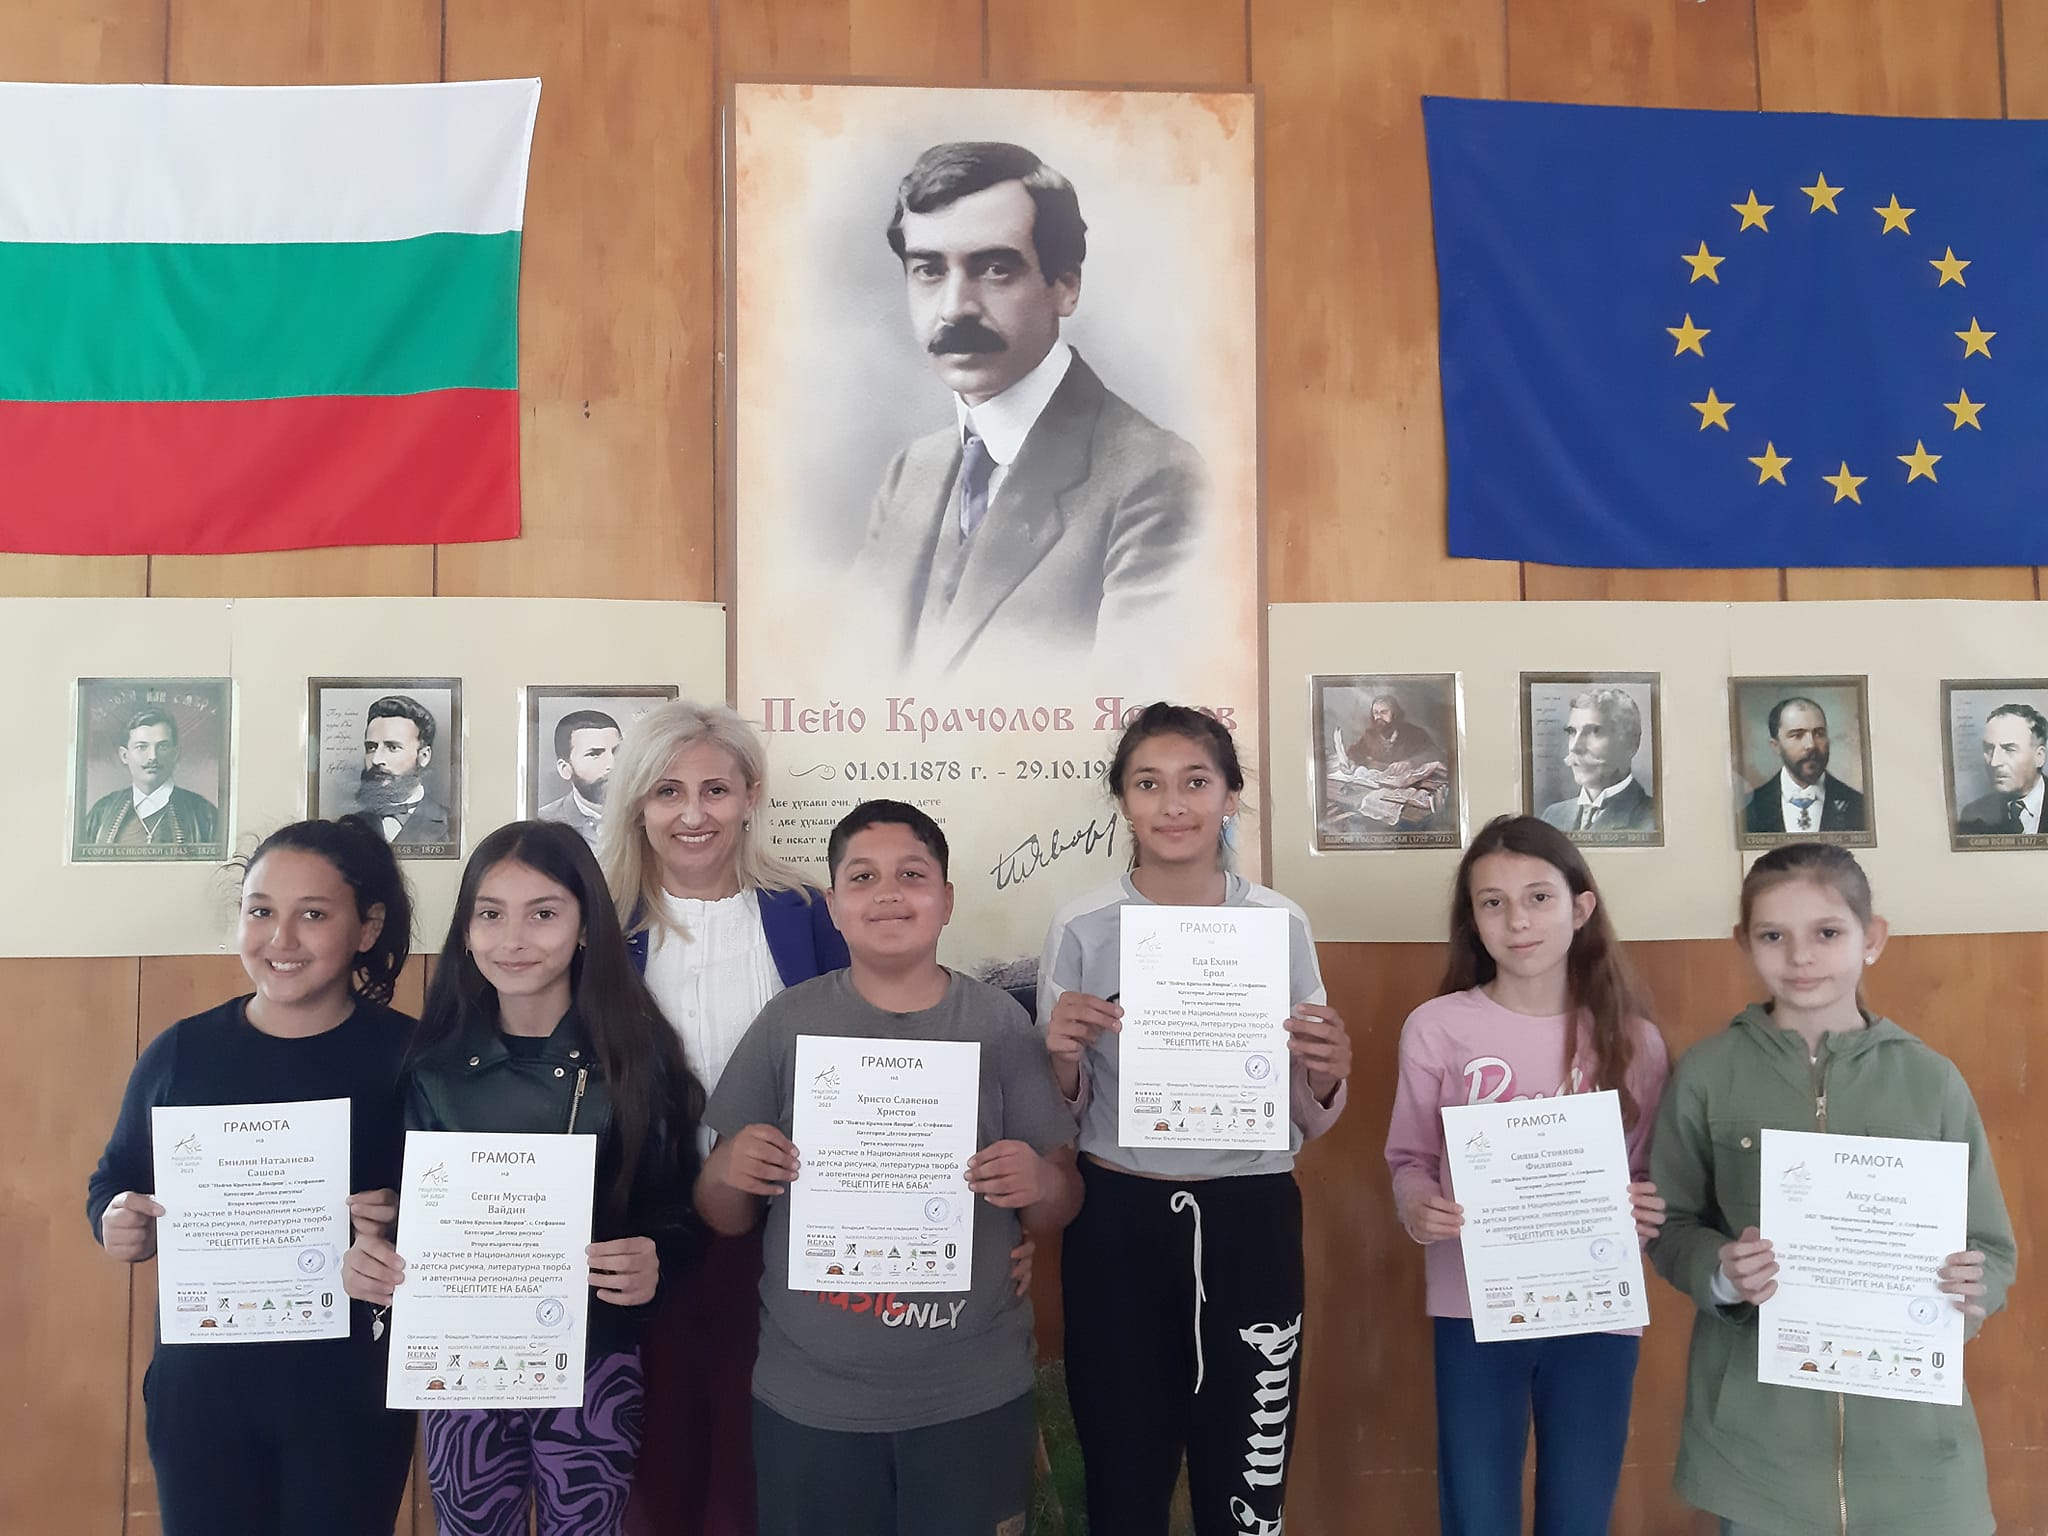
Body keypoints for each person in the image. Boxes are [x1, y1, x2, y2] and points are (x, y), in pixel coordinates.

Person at [698, 799, 1082, 1536]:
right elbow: (724, 1210)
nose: (888, 894)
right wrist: (728, 1173)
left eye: (912, 874)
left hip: (971, 1393)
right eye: (862, 877)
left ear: (946, 899)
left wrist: (1040, 1183)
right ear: (834, 906)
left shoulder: (999, 1024)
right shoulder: (788, 1022)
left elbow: (1060, 1197)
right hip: (811, 1398)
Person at [1037, 701, 1353, 1535]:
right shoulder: (1081, 925)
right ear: (1122, 801)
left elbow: (1306, 1111)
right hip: (1119, 1216)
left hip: (1251, 1214)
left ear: (1230, 796)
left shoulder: (1278, 923)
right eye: (1149, 784)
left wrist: (1325, 1074)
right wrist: (1060, 1057)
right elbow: (1057, 1113)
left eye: (1195, 782)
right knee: (1123, 1475)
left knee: (1247, 1480)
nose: (1172, 804)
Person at [341, 820, 706, 1536]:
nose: (513, 939)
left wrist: (655, 1258)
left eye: (543, 913)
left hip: (593, 1359)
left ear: (585, 927)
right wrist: (370, 1255)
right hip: (459, 1367)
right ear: (466, 930)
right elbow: (393, 1218)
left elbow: (680, 1213)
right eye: (490, 913)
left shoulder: (639, 1062)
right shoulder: (431, 1068)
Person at [1647, 843, 2015, 1536]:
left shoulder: (1931, 1080)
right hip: (1760, 1453)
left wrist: (1976, 1286)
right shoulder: (1708, 1073)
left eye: (1826, 932)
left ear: (1871, 938)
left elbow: (1992, 1247)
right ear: (1743, 942)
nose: (1800, 957)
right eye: (1773, 936)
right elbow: (1672, 1224)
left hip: (1915, 1455)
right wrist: (1721, 1272)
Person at [87, 816, 418, 1535]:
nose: (281, 939)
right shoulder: (183, 1053)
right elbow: (115, 1176)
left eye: (313, 915)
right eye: (261, 911)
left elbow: (456, 1217)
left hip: (349, 1398)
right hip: (202, 1398)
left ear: (367, 928)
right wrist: (117, 1220)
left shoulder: (411, 1059)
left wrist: (403, 1223)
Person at [597, 700, 847, 1536]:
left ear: (751, 796)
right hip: (644, 1235)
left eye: (715, 789)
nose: (693, 814)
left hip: (785, 1234)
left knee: (758, 1467)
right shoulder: (599, 930)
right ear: (638, 804)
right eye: (667, 791)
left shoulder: (810, 914)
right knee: (659, 1468)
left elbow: (876, 1063)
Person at [1384, 814, 1670, 1536]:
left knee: (1579, 1512)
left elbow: (1646, 1175)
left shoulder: (1634, 1041)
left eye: (1539, 897)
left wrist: (1648, 1211)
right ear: (1472, 920)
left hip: (1596, 1309)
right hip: (1473, 1306)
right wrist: (1417, 1205)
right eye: (1493, 902)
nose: (1518, 920)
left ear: (1581, 907)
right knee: (1477, 1510)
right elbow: (1410, 1158)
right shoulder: (1437, 1027)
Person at [849, 140, 1206, 673]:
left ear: (1066, 287)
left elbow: (1131, 705)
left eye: (995, 268)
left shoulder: (1155, 480)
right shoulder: (912, 473)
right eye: (929, 270)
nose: (955, 308)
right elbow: (849, 673)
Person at [77, 705, 220, 850]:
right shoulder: (102, 812)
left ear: (175, 754)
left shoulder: (204, 814)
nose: (153, 757)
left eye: (163, 747)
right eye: (141, 747)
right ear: (124, 756)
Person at [1537, 687, 1656, 834]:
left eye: (1595, 732)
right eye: (1572, 732)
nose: (1575, 747)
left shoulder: (1653, 819)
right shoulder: (1552, 816)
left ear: (1631, 744)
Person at [1743, 696, 1866, 834]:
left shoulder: (1859, 805)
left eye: (1819, 734)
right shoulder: (1749, 809)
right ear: (1776, 746)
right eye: (1797, 735)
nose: (1811, 745)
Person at [348, 694, 452, 847]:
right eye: (371, 747)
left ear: (423, 756)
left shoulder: (451, 823)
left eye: (392, 747)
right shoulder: (350, 827)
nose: (376, 759)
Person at [1955, 702, 2047, 836]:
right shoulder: (1973, 814)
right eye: (1989, 749)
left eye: (2009, 749)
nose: (1994, 762)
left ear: (2039, 757)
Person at [539, 708, 624, 847]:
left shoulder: (647, 813)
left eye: (618, 752)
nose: (612, 765)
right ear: (565, 769)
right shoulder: (545, 822)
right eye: (594, 754)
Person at [1337, 691, 1440, 771]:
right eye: (1376, 713)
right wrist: (1351, 762)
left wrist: (1410, 763)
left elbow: (1434, 753)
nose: (1379, 717)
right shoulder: (1370, 734)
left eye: (1384, 712)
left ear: (1395, 714)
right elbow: (1354, 752)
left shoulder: (1414, 733)